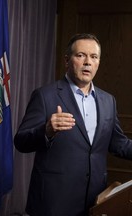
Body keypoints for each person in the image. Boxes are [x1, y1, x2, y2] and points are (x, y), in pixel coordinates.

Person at [14, 33, 132, 216]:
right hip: (54, 203)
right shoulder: (45, 96)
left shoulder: (108, 101)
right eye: (81, 55)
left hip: (95, 201)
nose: (87, 62)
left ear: (98, 63)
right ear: (67, 60)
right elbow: (21, 141)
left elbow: (119, 144)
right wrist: (46, 131)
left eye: (93, 57)